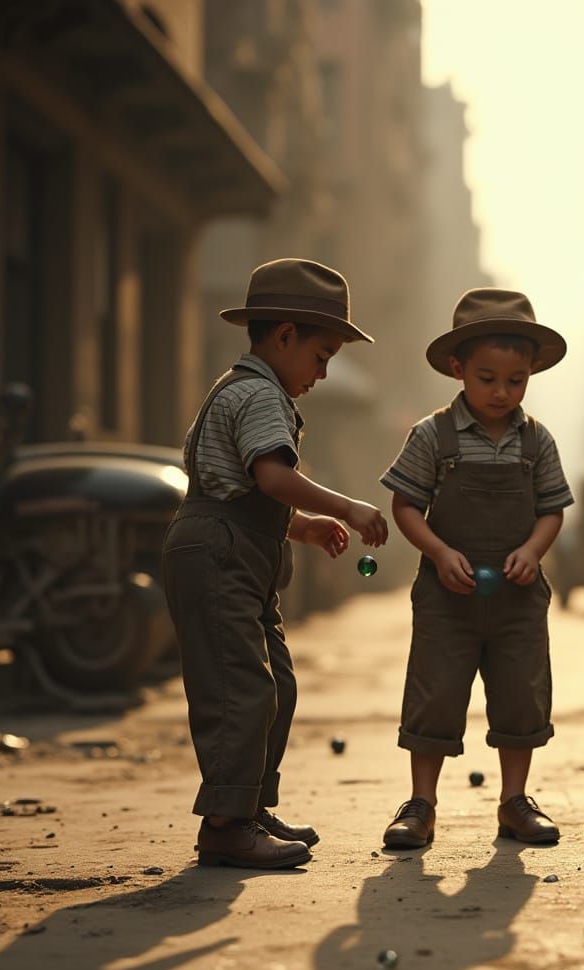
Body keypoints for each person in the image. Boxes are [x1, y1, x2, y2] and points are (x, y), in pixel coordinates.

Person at [162, 258, 388, 869]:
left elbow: (250, 485)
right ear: (284, 336)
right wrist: (345, 505)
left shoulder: (245, 389)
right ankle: (225, 825)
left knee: (275, 685)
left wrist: (304, 525)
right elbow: (270, 474)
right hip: (217, 551)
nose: (323, 371)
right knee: (242, 688)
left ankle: (251, 804)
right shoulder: (259, 392)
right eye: (321, 355)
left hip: (240, 550)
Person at [379, 288, 573, 849]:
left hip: (518, 597)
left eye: (515, 381)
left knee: (521, 694)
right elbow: (405, 506)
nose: (501, 392)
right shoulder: (431, 435)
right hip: (447, 595)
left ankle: (514, 801)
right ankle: (421, 805)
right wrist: (439, 552)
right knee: (434, 693)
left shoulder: (537, 441)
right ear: (458, 369)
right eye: (487, 378)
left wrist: (534, 550)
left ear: (532, 373)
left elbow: (551, 510)